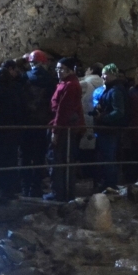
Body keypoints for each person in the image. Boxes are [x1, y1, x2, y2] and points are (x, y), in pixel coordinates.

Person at [0, 59, 30, 198]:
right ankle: (7, 191)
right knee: (8, 162)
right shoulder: (14, 92)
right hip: (9, 133)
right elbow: (21, 111)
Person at [46, 57, 85, 201]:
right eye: (57, 69)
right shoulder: (67, 84)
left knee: (58, 160)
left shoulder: (70, 86)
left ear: (69, 70)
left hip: (64, 128)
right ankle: (63, 191)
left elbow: (63, 110)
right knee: (62, 159)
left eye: (61, 69)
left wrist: (55, 131)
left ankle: (60, 193)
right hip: (64, 125)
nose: (58, 71)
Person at [23, 51, 57, 197]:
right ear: (44, 63)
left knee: (25, 156)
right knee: (39, 157)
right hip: (43, 123)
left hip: (26, 122)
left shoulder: (25, 77)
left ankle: (25, 187)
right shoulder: (50, 80)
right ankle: (35, 188)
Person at [92, 64, 131, 188]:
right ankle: (107, 183)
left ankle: (110, 185)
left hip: (110, 130)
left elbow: (119, 112)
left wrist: (103, 118)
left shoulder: (115, 91)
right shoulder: (112, 89)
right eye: (102, 74)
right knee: (106, 157)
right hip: (107, 130)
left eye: (105, 74)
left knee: (108, 158)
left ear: (113, 75)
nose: (103, 76)